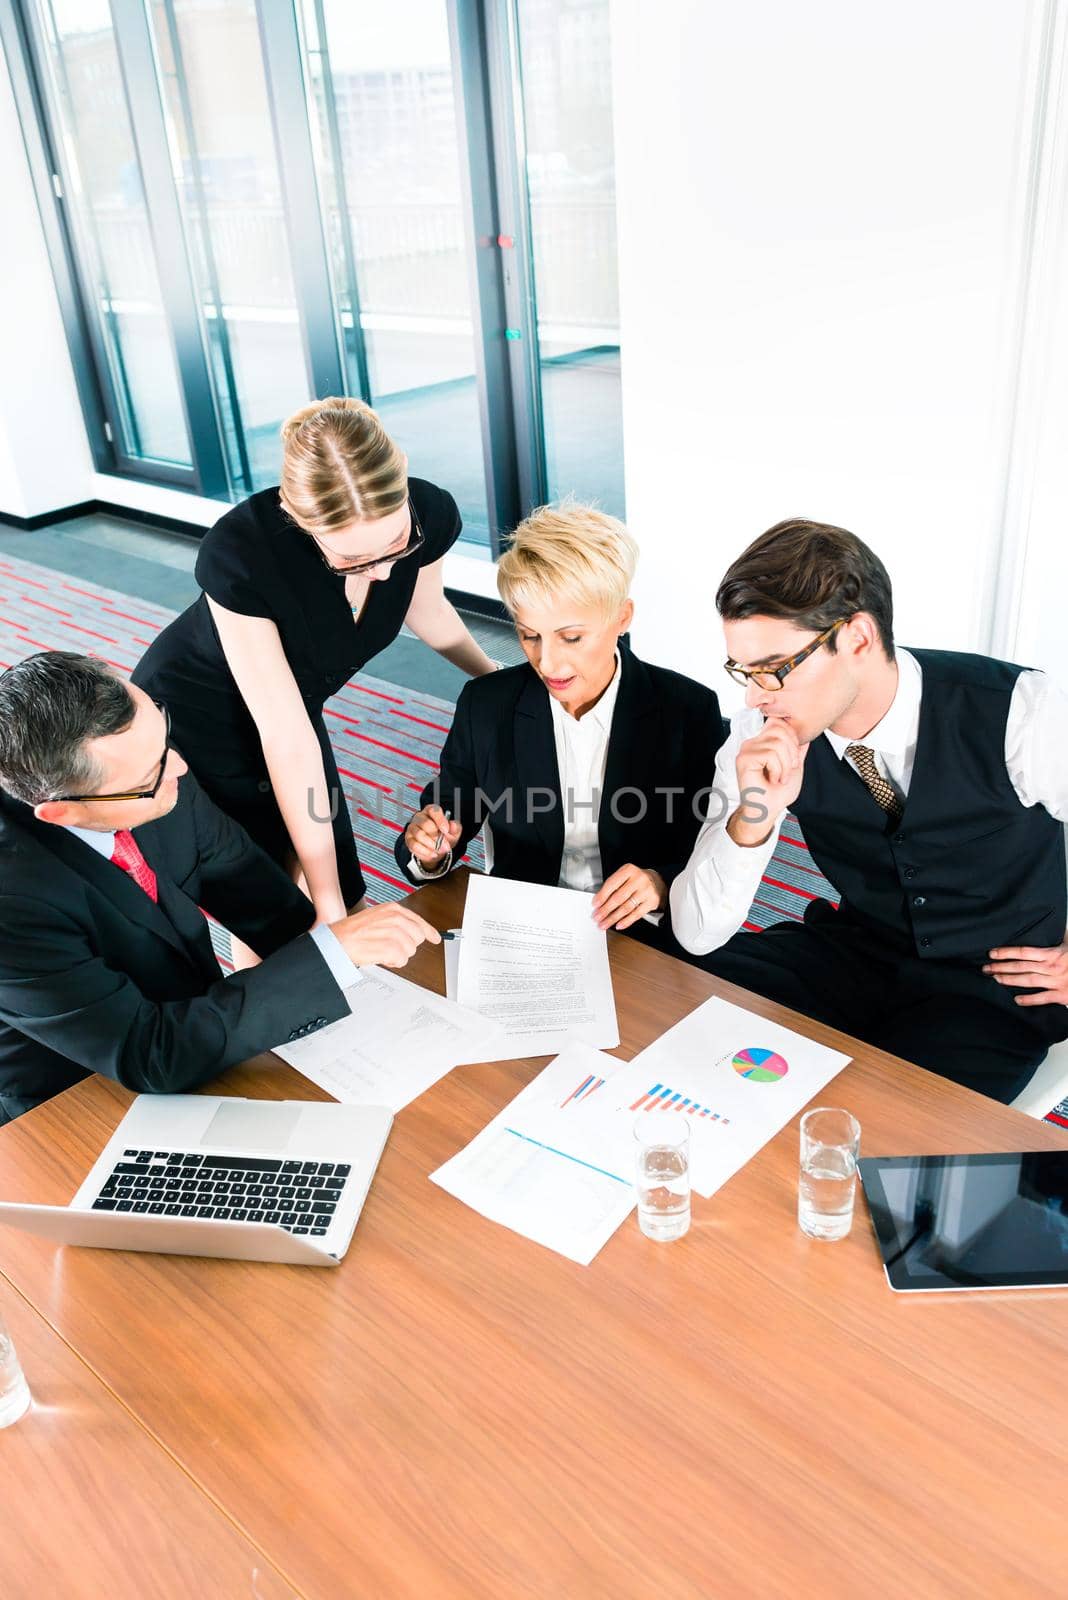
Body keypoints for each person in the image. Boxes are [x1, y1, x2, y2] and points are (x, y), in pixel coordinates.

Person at [669, 517, 1068, 1104]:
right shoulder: (758, 737)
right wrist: (756, 813)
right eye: (741, 671)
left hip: (991, 990)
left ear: (857, 637)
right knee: (678, 994)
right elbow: (698, 933)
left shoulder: (1021, 713)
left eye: (773, 667)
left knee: (888, 1133)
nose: (753, 696)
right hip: (856, 950)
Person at [0, 652, 439, 1122]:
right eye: (153, 776)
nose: (182, 769)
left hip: (192, 1022)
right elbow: (148, 1053)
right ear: (62, 811)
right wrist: (328, 957)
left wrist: (358, 970)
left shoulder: (149, 770)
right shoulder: (13, 902)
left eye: (165, 738)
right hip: (75, 1097)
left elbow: (253, 892)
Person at [132, 398, 497, 964]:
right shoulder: (244, 553)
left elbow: (426, 609)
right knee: (279, 910)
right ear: (301, 523)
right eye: (353, 561)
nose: (381, 571)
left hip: (297, 709)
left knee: (340, 887)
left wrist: (499, 682)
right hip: (201, 719)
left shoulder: (428, 514)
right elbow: (284, 735)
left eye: (394, 546)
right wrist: (324, 913)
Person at [396, 503, 726, 941]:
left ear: (622, 618)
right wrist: (431, 849)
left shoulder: (688, 710)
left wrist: (661, 882)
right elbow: (448, 811)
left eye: (570, 637)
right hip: (524, 929)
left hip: (642, 934)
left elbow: (711, 843)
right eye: (529, 634)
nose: (546, 661)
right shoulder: (486, 704)